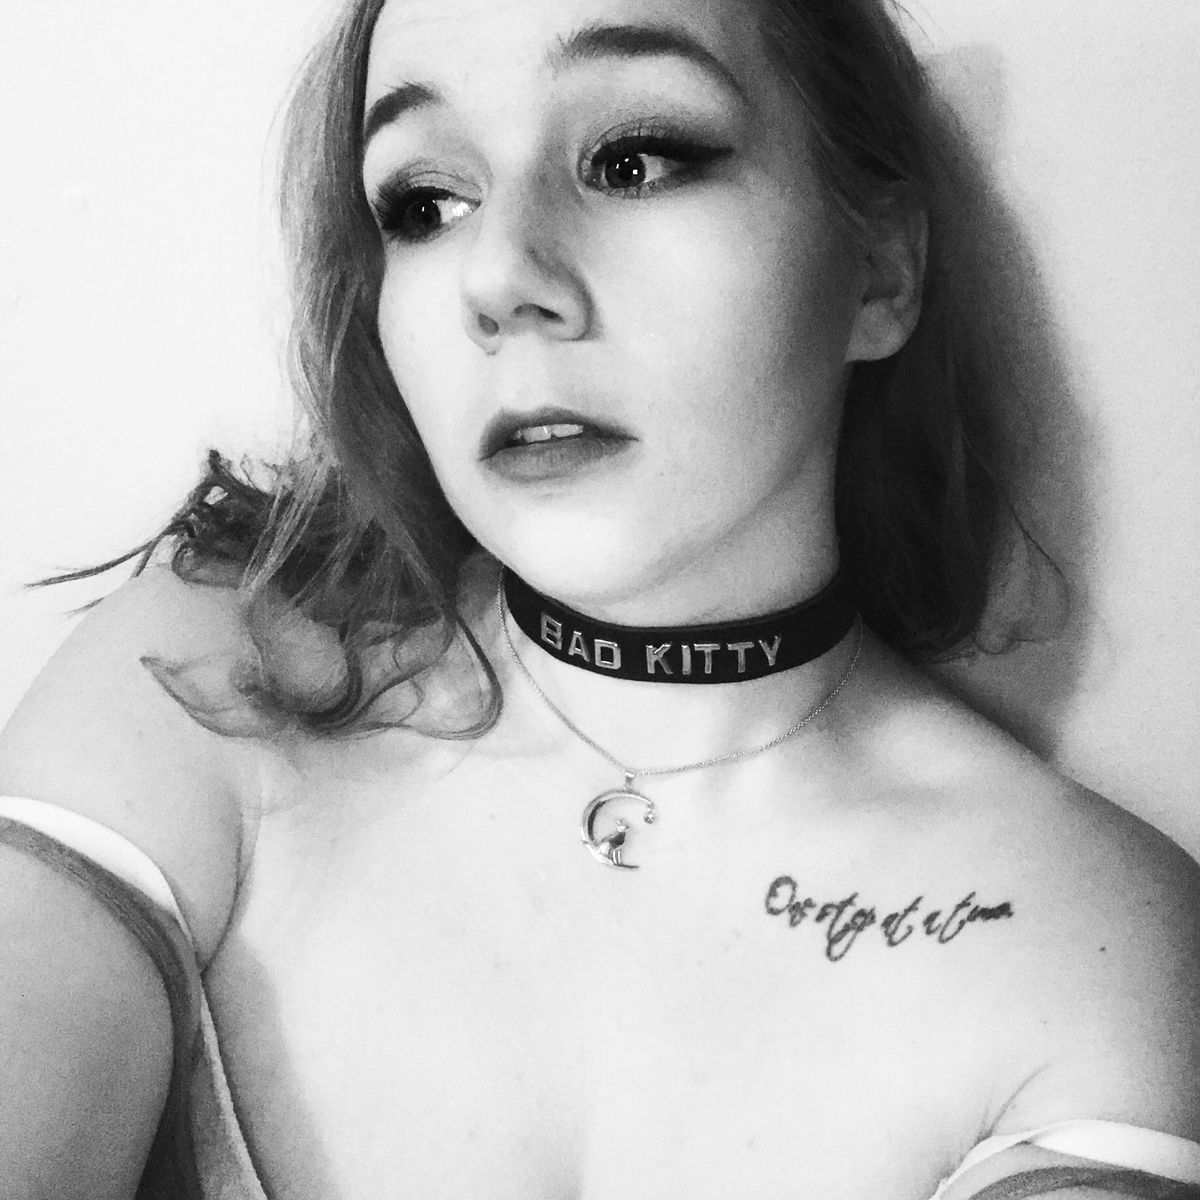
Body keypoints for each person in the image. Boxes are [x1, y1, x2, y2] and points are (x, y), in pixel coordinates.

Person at [1, 0, 1198, 1197]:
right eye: (426, 203)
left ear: (881, 268)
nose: (498, 277)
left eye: (634, 159)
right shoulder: (201, 685)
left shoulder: (1087, 947)